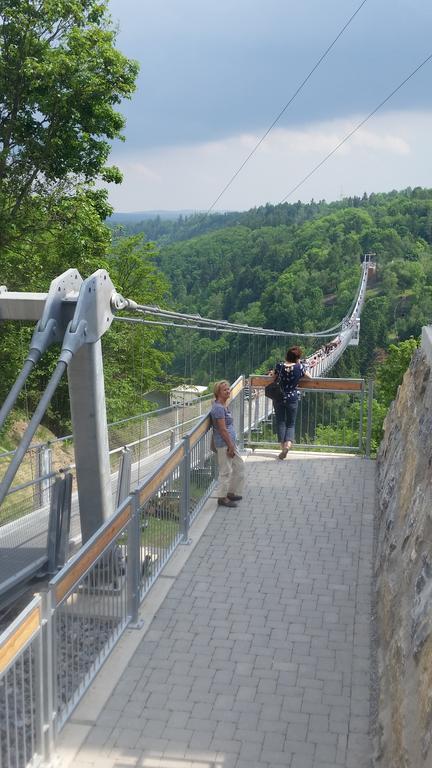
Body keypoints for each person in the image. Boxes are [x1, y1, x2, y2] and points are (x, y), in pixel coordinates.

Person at [271, 346, 312, 460]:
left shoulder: (279, 366)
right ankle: (288, 445)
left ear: (287, 356)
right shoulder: (300, 367)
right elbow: (310, 377)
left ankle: (282, 447)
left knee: (280, 422)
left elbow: (273, 377)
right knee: (291, 423)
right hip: (292, 398)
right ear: (298, 358)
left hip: (279, 397)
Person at [211, 380, 245, 508]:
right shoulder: (219, 408)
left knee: (239, 466)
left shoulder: (224, 405)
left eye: (228, 389)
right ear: (218, 393)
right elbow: (222, 429)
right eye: (225, 390)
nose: (228, 391)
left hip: (230, 443)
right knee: (225, 471)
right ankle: (222, 498)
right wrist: (230, 446)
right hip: (225, 444)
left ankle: (230, 492)